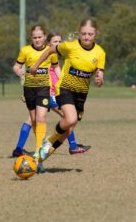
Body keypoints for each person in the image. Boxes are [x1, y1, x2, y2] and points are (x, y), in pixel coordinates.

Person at [29, 19, 105, 164]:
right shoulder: (70, 47)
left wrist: (100, 78)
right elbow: (50, 50)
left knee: (68, 129)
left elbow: (99, 71)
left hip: (81, 95)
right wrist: (35, 65)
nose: (87, 37)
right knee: (70, 119)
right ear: (79, 33)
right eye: (84, 33)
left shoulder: (100, 52)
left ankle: (42, 157)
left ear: (96, 34)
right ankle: (48, 141)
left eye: (90, 34)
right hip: (65, 89)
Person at [12, 33, 91, 158]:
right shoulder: (46, 60)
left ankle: (18, 148)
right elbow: (35, 76)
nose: (58, 44)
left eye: (60, 41)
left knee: (33, 120)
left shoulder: (55, 61)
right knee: (68, 117)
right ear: (49, 44)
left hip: (49, 94)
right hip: (49, 95)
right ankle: (73, 145)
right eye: (55, 42)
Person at [12, 25, 58, 173]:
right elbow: (16, 66)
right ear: (31, 38)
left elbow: (56, 67)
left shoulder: (51, 51)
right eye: (34, 37)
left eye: (40, 37)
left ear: (44, 37)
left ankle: (38, 156)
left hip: (44, 89)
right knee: (33, 121)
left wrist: (61, 82)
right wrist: (18, 71)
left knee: (41, 118)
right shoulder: (25, 50)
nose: (37, 40)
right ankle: (41, 142)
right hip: (29, 89)